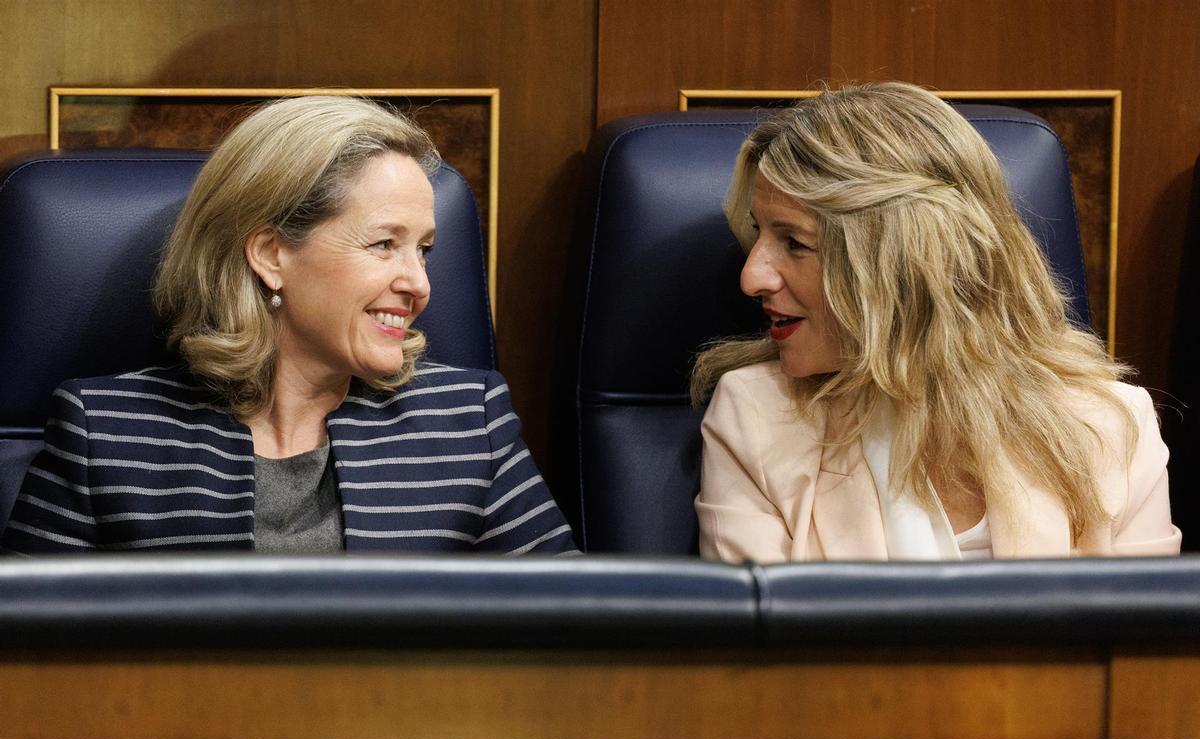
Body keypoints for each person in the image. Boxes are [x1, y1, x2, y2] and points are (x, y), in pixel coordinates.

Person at [2, 96, 574, 555]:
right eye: (384, 245)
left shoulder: (468, 421)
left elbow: (579, 643)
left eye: (423, 250)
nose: (419, 284)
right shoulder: (104, 435)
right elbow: (25, 667)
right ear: (272, 255)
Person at [692, 82, 1180, 563]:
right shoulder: (754, 418)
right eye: (759, 233)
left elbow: (1144, 638)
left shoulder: (1111, 425)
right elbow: (767, 641)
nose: (750, 277)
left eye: (795, 242)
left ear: (905, 262)